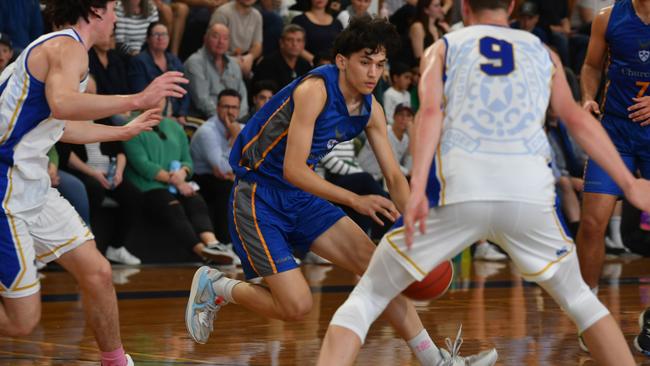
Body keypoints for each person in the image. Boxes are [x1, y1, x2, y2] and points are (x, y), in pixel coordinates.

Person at [316, 1, 650, 365]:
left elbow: (429, 114)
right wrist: (630, 186)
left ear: (464, 7)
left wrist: (416, 192)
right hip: (527, 193)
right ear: (510, 6)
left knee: (366, 298)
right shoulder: (544, 52)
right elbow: (577, 120)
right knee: (582, 302)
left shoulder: (443, 47)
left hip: (462, 189)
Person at [184, 16, 497, 365]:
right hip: (259, 195)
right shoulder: (314, 91)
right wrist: (354, 200)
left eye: (380, 65)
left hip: (301, 196)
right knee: (297, 306)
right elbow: (293, 169)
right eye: (365, 62)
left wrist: (415, 229)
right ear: (342, 61)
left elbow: (394, 177)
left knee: (380, 269)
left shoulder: (371, 109)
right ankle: (218, 286)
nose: (373, 73)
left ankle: (436, 362)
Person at [0, 1, 187, 366]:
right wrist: (137, 97)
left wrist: (122, 129)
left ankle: (116, 362)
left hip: (30, 181)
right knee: (23, 321)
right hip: (4, 184)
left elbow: (61, 125)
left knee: (98, 272)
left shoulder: (66, 53)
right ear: (94, 10)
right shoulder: (66, 47)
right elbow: (63, 102)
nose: (117, 18)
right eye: (114, 8)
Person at [576, 0, 650, 355]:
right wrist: (588, 98)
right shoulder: (607, 17)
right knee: (591, 223)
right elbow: (591, 66)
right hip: (615, 134)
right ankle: (588, 313)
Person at [123, 104, 237, 265]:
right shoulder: (131, 126)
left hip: (177, 182)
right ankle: (202, 252)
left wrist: (183, 172)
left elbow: (187, 160)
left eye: (161, 98)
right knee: (172, 206)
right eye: (153, 97)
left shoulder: (175, 127)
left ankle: (213, 245)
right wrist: (175, 180)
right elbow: (142, 165)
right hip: (148, 186)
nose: (157, 102)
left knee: (195, 200)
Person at [190, 89, 244, 244]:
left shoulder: (242, 127)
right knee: (228, 188)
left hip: (227, 177)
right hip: (202, 179)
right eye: (226, 107)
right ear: (218, 108)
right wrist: (235, 138)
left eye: (234, 107)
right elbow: (222, 168)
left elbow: (254, 159)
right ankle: (226, 243)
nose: (230, 111)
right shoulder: (207, 131)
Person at [129, 22, 190, 124]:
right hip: (152, 116)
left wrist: (182, 114)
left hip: (176, 116)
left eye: (164, 34)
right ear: (147, 39)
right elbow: (140, 92)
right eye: (156, 34)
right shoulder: (139, 61)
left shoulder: (174, 60)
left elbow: (185, 90)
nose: (161, 38)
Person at [184, 23, 249, 119]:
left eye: (225, 38)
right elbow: (202, 101)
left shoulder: (233, 64)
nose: (221, 42)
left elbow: (243, 96)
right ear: (205, 38)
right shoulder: (194, 63)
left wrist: (237, 118)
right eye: (215, 37)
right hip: (205, 120)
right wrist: (225, 120)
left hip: (235, 119)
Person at [209, 0, 263, 77]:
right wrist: (235, 62)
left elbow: (257, 45)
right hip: (219, 60)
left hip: (243, 59)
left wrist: (249, 58)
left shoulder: (257, 15)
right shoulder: (223, 12)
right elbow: (212, 46)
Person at [252, 24, 312, 90]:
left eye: (299, 40)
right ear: (281, 42)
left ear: (304, 44)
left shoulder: (305, 65)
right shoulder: (268, 64)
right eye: (290, 40)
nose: (294, 44)